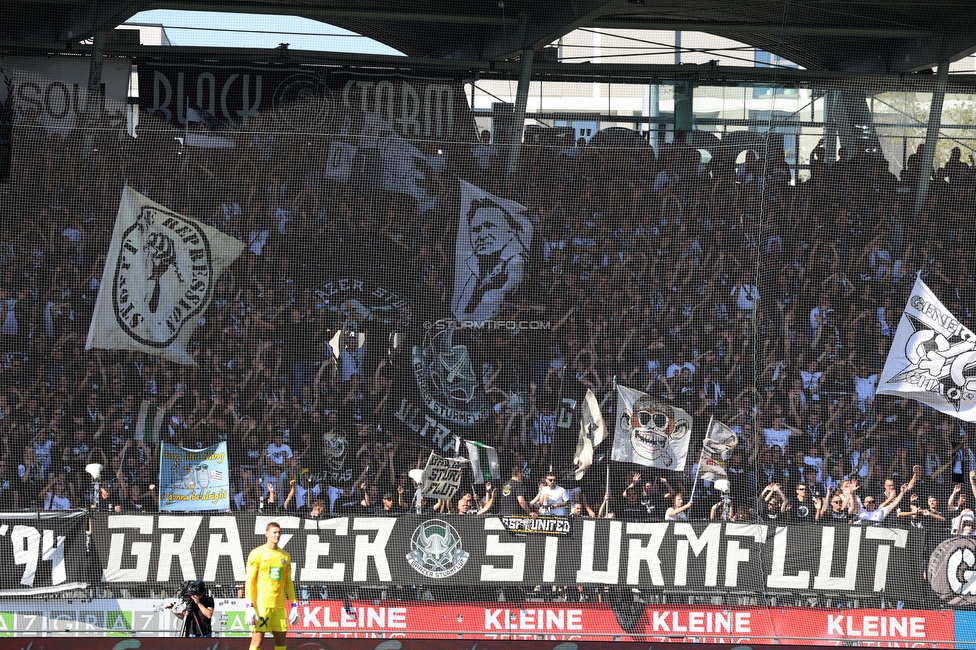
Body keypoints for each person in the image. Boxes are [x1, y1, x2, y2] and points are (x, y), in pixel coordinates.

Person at [452, 196, 530, 323]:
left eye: (489, 226)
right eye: (476, 229)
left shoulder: (516, 269)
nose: (481, 235)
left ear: (510, 232)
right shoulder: (469, 266)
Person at [245, 522, 299, 650]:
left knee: (281, 641)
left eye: (279, 532)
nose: (277, 535)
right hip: (262, 606)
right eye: (274, 532)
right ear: (266, 534)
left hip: (279, 607)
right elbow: (250, 581)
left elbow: (288, 582)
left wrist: (294, 605)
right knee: (257, 641)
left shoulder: (285, 556)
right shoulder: (256, 553)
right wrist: (249, 605)